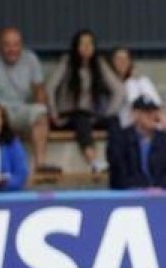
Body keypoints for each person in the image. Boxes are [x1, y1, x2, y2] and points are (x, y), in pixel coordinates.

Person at [0, 27, 56, 172]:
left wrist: (42, 110)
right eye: (7, 45)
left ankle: (40, 164)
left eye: (16, 44)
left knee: (40, 113)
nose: (12, 49)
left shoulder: (31, 59)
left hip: (21, 109)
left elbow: (40, 91)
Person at [47, 29, 126, 173]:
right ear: (76, 46)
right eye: (82, 43)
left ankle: (117, 161)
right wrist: (53, 114)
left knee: (115, 121)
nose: (86, 47)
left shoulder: (99, 63)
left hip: (91, 116)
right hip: (67, 117)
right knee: (81, 118)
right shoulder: (67, 62)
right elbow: (49, 88)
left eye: (90, 43)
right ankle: (93, 161)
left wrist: (107, 113)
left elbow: (119, 90)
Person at [107, 96, 166, 190]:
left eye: (155, 111)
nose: (152, 116)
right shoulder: (120, 139)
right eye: (147, 112)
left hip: (161, 195)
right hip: (129, 195)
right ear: (135, 114)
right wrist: (142, 188)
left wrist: (161, 187)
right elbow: (119, 170)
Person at [111, 47, 166, 132]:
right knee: (130, 84)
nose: (122, 62)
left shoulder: (139, 82)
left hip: (149, 121)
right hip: (126, 123)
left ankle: (159, 119)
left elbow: (157, 105)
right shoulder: (108, 83)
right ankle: (156, 120)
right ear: (112, 62)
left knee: (142, 81)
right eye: (118, 59)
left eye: (125, 59)